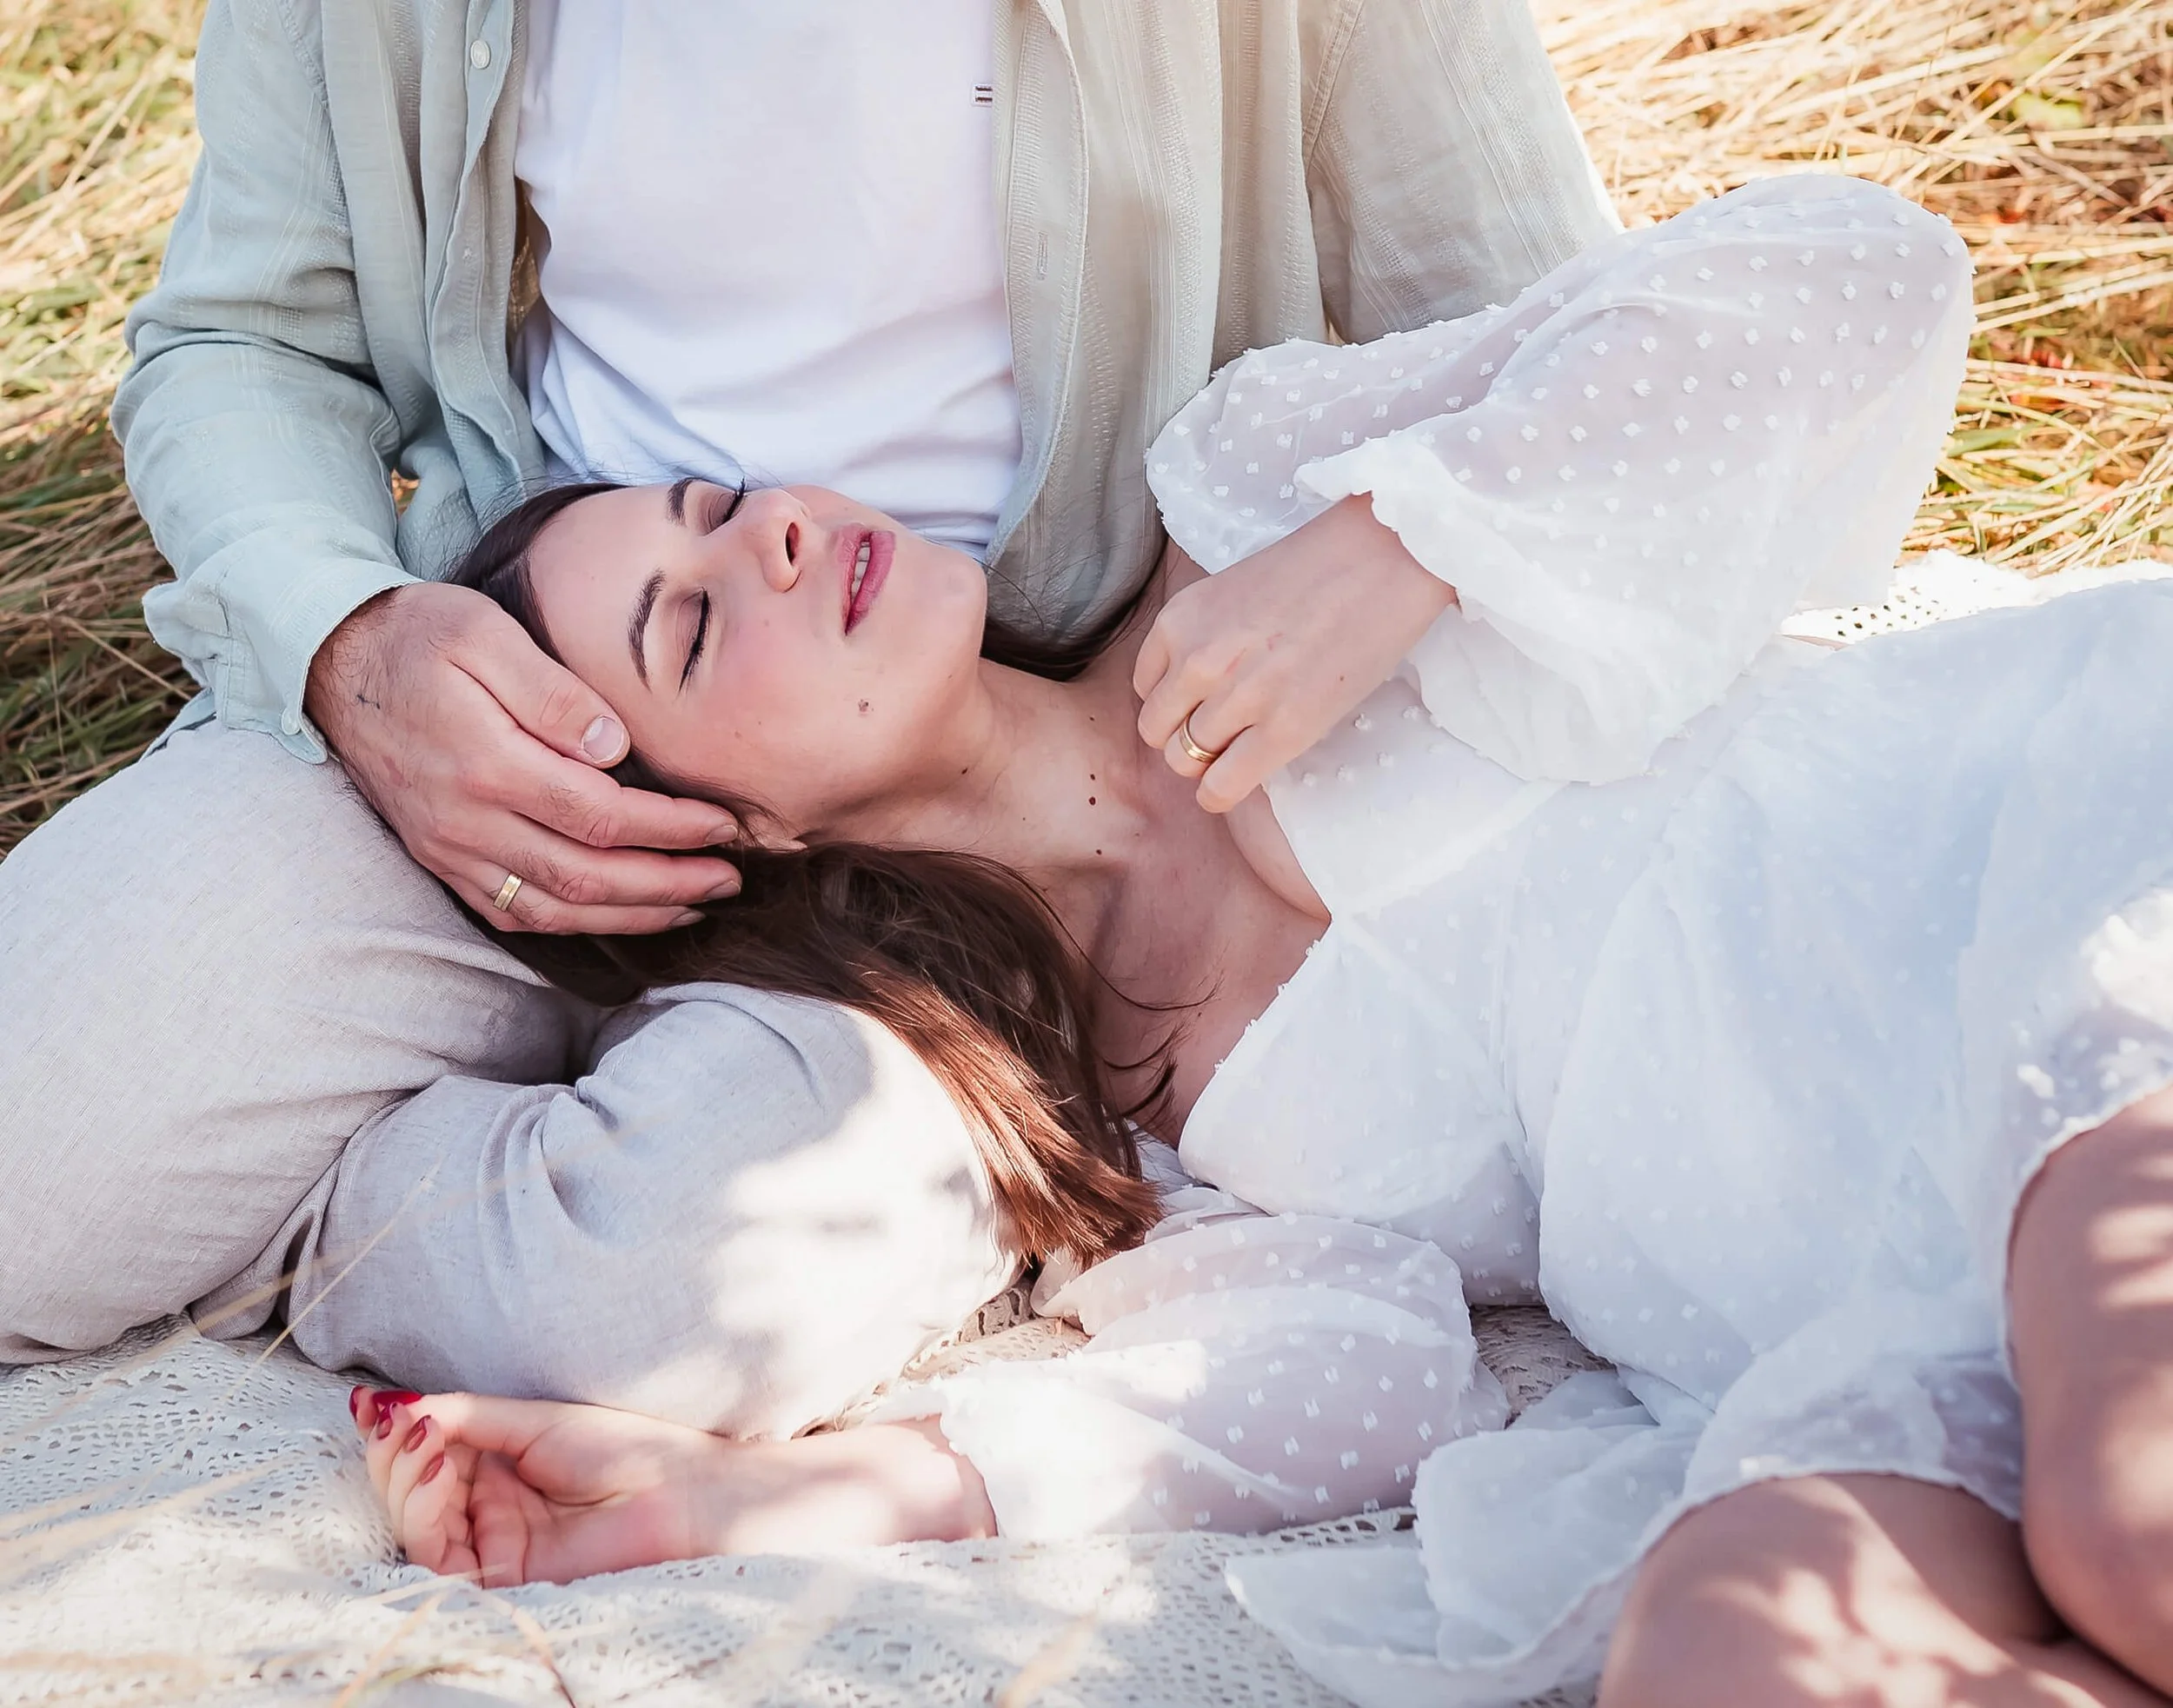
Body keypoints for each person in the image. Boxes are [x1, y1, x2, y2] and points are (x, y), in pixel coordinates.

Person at [346, 177, 2173, 1708]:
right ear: (728, 833)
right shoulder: (1107, 1108)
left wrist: (1399, 545)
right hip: (1845, 1296)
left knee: (2129, 1520)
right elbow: (1349, 1377)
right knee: (1722, 1658)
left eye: (725, 505)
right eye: (690, 624)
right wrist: (743, 1499)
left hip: (1998, 907)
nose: (778, 542)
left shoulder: (1236, 500)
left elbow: (1852, 266)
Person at [0, 0, 1616, 1370]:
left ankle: (742, 1098)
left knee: (670, 1293)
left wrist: (1396, 544)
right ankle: (518, 1079)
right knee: (29, 1169)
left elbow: (1535, 307)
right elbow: (239, 341)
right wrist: (351, 639)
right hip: (525, 683)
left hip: (1028, 811)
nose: (778, 518)